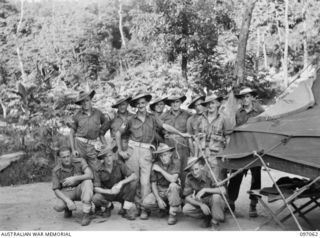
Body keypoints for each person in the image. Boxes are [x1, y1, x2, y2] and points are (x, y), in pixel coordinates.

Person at [115, 91, 191, 219]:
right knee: (134, 180)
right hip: (133, 150)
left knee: (145, 182)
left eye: (143, 103)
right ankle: (132, 208)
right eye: (138, 103)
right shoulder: (130, 119)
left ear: (146, 103)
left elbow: (165, 126)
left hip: (146, 152)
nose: (140, 105)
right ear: (135, 105)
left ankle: (145, 209)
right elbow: (118, 133)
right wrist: (120, 150)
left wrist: (181, 134)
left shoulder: (153, 118)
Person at [227, 87, 265, 217]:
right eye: (243, 97)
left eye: (247, 96)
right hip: (242, 149)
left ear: (252, 97)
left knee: (256, 178)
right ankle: (231, 202)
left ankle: (253, 204)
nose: (245, 99)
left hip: (255, 149)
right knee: (235, 174)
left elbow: (265, 129)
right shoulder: (239, 113)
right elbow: (236, 130)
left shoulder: (260, 111)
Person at [92, 145, 137, 220]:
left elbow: (134, 176)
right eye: (105, 157)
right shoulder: (98, 169)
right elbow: (96, 188)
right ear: (103, 159)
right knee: (95, 198)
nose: (108, 159)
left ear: (112, 156)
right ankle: (109, 206)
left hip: (120, 191)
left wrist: (121, 183)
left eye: (110, 155)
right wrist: (110, 191)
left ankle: (125, 209)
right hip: (107, 193)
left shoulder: (119, 164)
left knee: (133, 183)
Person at [68, 90, 110, 171]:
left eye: (87, 100)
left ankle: (96, 182)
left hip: (93, 145)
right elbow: (71, 133)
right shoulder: (77, 115)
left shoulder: (98, 113)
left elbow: (106, 123)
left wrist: (101, 133)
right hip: (80, 145)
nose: (85, 103)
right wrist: (73, 150)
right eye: (82, 102)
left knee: (96, 169)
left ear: (90, 100)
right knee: (80, 167)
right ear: (80, 104)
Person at [52, 146, 93, 226]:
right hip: (67, 192)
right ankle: (68, 208)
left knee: (88, 182)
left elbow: (90, 175)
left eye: (68, 156)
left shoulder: (80, 161)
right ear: (60, 158)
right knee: (59, 206)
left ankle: (86, 213)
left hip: (79, 189)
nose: (66, 159)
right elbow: (56, 189)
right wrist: (68, 201)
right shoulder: (56, 170)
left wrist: (74, 178)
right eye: (64, 157)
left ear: (71, 155)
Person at [141, 143, 182, 225]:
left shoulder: (176, 162)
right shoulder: (156, 164)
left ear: (170, 154)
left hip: (172, 191)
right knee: (146, 203)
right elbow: (154, 184)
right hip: (160, 190)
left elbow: (173, 179)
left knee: (173, 186)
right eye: (161, 156)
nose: (163, 158)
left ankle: (172, 214)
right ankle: (162, 209)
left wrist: (160, 170)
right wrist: (159, 199)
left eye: (165, 155)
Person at [182, 156, 226, 230]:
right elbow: (187, 197)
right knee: (186, 209)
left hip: (214, 201)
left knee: (216, 197)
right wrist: (201, 205)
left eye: (196, 169)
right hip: (202, 201)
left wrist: (205, 190)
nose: (194, 172)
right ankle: (208, 216)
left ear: (201, 166)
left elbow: (223, 190)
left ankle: (215, 221)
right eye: (192, 170)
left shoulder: (210, 174)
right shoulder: (189, 177)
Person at [161, 93, 192, 187]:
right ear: (170, 104)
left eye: (177, 101)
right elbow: (158, 129)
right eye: (172, 102)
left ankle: (183, 195)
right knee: (170, 170)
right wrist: (164, 134)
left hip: (183, 146)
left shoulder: (187, 114)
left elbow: (193, 127)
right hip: (169, 146)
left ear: (181, 102)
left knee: (184, 171)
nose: (175, 104)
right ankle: (170, 195)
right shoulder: (164, 115)